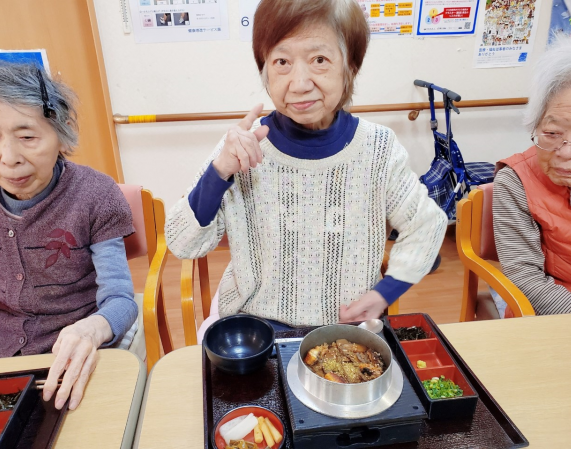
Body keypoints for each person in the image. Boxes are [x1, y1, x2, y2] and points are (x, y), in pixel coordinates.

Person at [165, 0, 446, 336]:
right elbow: (182, 242)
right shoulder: (243, 147)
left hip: (344, 332)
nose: (299, 83)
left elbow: (426, 225)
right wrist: (220, 171)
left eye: (319, 60)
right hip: (255, 331)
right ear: (265, 69)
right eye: (282, 62)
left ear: (350, 67)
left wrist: (385, 292)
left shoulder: (378, 148)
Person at [0, 64, 138, 410]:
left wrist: (91, 329)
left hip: (71, 349)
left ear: (62, 135)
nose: (8, 159)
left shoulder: (96, 195)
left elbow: (121, 300)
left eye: (27, 137)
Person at [493, 33, 571, 316]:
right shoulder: (515, 181)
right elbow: (525, 276)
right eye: (552, 134)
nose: (565, 152)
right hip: (556, 313)